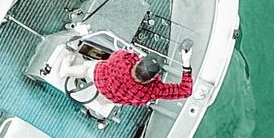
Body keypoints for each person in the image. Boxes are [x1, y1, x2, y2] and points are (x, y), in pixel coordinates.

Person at [59, 45, 193, 106]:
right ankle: (103, 101)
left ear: (139, 62)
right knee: (110, 99)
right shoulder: (153, 91)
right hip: (116, 98)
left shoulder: (123, 61)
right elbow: (185, 90)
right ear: (152, 78)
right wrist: (186, 62)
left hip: (100, 79)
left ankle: (65, 70)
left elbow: (115, 54)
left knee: (87, 68)